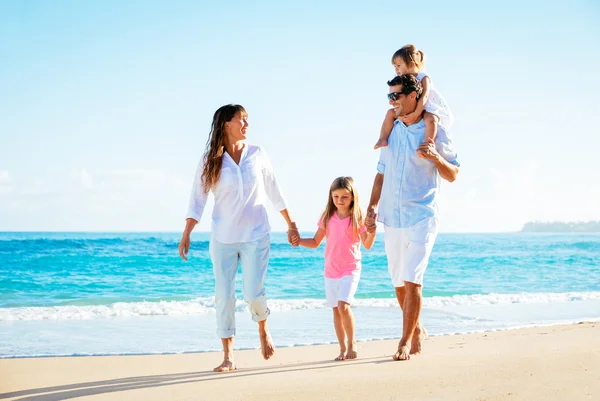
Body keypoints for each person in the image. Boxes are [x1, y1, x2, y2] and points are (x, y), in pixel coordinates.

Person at [178, 104, 299, 372]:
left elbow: (274, 190)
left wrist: (291, 224)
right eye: (241, 120)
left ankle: (263, 329)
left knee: (253, 292)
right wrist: (187, 233)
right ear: (226, 125)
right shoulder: (210, 160)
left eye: (247, 119)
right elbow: (197, 199)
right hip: (223, 237)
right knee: (224, 295)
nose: (247, 124)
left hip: (256, 235)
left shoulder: (257, 154)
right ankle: (228, 355)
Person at [366, 74, 460, 361]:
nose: (392, 102)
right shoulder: (392, 129)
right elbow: (381, 172)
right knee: (398, 282)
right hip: (392, 218)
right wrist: (371, 207)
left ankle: (404, 342)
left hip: (422, 214)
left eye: (396, 96)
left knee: (412, 280)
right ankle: (416, 329)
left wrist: (434, 157)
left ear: (413, 97)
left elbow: (453, 173)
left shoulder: (435, 130)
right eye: (389, 97)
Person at [292, 177, 376, 361]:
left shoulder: (358, 216)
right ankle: (342, 348)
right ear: (331, 197)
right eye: (336, 196)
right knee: (336, 310)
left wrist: (373, 231)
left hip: (351, 269)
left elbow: (367, 245)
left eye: (344, 197)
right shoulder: (327, 217)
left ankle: (352, 343)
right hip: (331, 271)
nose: (339, 200)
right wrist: (299, 241)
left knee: (343, 305)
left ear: (352, 197)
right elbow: (315, 242)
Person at [374, 44, 453, 150]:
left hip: (427, 106)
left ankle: (428, 143)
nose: (396, 70)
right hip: (412, 106)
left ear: (411, 64)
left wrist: (416, 113)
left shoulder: (423, 77)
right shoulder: (401, 79)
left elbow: (424, 97)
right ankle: (382, 138)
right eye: (394, 66)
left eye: (399, 66)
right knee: (390, 113)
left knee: (430, 119)